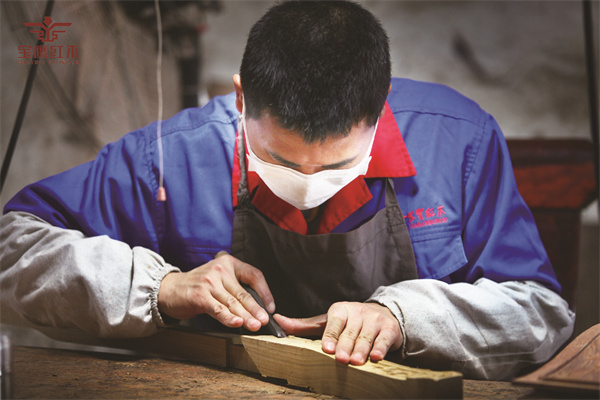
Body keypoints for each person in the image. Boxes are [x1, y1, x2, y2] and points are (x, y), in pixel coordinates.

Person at [0, 0, 574, 380]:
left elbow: (543, 315)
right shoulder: (172, 158)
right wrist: (163, 287)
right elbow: (11, 250)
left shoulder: (458, 141)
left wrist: (408, 317)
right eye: (279, 160)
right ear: (241, 99)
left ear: (380, 109)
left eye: (337, 165)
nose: (309, 187)